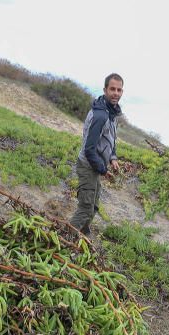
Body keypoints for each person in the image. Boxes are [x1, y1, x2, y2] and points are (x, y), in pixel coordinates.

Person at [69, 73, 123, 235]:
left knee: (94, 205)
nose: (116, 93)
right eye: (112, 89)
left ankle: (83, 233)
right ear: (105, 90)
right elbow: (89, 150)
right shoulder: (101, 115)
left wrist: (112, 158)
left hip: (95, 166)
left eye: (119, 90)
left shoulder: (111, 113)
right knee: (85, 208)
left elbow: (109, 139)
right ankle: (65, 237)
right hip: (88, 166)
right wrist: (103, 169)